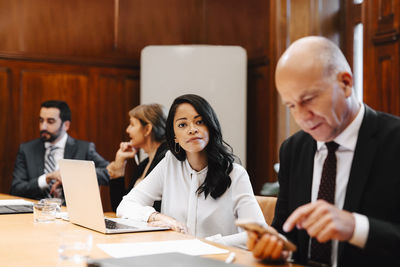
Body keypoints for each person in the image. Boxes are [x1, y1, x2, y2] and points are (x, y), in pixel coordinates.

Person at [247, 36, 400, 266]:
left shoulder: (395, 141)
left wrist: (355, 227)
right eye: (291, 106)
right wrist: (276, 247)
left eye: (308, 99)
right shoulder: (293, 149)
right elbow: (284, 231)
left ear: (345, 83)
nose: (301, 117)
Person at [116, 94, 265, 248]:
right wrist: (156, 217)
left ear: (210, 126)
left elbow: (258, 234)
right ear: (174, 136)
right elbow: (126, 205)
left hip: (218, 260)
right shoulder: (170, 163)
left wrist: (206, 243)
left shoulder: (236, 174)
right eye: (182, 125)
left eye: (199, 122)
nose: (192, 129)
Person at [11, 100, 109, 201]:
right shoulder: (27, 150)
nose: (43, 126)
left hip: (70, 213)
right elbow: (16, 189)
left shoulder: (84, 149)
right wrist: (47, 178)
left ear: (66, 125)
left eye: (50, 121)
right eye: (41, 120)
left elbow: (108, 173)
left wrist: (71, 174)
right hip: (34, 211)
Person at [107, 104, 168, 211]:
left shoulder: (166, 158)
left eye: (132, 124)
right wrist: (119, 164)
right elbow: (120, 207)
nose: (127, 130)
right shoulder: (144, 164)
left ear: (147, 129)